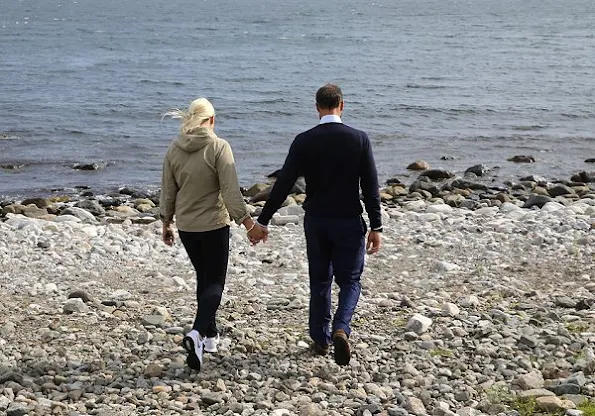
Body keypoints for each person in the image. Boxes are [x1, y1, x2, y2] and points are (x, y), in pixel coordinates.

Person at [248, 84, 382, 366]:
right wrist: (376, 226)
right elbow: (370, 186)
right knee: (350, 281)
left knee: (320, 280)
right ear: (342, 105)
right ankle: (341, 328)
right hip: (348, 220)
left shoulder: (304, 141)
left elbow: (283, 184)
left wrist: (263, 220)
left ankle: (320, 339)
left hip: (317, 221)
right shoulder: (359, 139)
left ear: (317, 107)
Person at [160, 97, 256, 372]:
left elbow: (168, 190)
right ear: (212, 120)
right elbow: (230, 190)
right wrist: (247, 222)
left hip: (187, 227)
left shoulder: (174, 150)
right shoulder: (218, 146)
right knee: (215, 283)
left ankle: (209, 338)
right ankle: (198, 331)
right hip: (214, 225)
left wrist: (166, 222)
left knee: (204, 278)